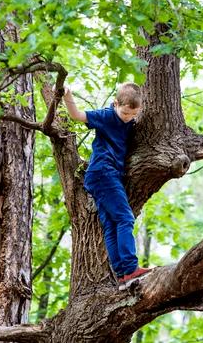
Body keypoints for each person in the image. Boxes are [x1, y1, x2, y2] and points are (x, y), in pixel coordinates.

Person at [63, 82, 151, 290]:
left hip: (103, 177)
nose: (129, 117)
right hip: (103, 172)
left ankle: (122, 276)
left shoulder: (129, 121)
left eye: (133, 114)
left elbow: (131, 113)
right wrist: (68, 95)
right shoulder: (107, 116)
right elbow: (77, 115)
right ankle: (130, 268)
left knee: (111, 225)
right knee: (125, 218)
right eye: (125, 112)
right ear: (115, 104)